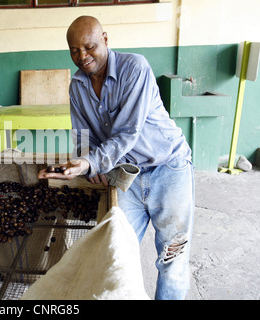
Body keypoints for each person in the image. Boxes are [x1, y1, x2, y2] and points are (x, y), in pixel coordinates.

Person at [38, 16, 195, 300]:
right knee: (117, 256)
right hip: (126, 178)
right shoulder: (77, 86)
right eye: (74, 50)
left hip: (168, 169)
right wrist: (87, 163)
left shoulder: (135, 68)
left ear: (106, 40)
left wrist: (91, 162)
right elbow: (83, 136)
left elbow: (127, 132)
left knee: (172, 259)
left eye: (89, 47)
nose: (82, 56)